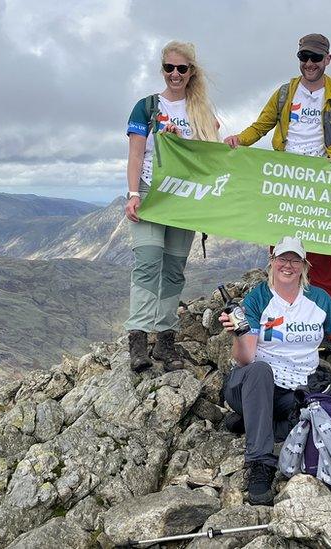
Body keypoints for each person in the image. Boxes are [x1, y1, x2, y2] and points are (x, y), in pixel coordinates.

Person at [219, 236, 331, 505]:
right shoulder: (258, 297)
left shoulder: (318, 300)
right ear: (272, 262)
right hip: (250, 384)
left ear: (305, 265)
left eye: (295, 260)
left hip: (295, 391)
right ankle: (260, 464)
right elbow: (245, 358)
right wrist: (238, 333)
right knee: (260, 370)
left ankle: (256, 422)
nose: (288, 265)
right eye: (282, 258)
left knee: (319, 422)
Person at [224, 33, 331, 304]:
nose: (309, 63)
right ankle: (283, 312)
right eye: (304, 57)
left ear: (327, 59)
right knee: (283, 250)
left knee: (319, 251)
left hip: (321, 181)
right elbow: (261, 126)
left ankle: (325, 319)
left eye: (316, 58)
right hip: (286, 181)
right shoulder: (285, 92)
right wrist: (240, 139)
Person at [124, 41, 220, 371]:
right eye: (169, 68)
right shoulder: (146, 107)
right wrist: (133, 193)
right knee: (148, 261)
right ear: (162, 69)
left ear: (191, 71)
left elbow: (213, 158)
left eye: (182, 68)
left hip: (184, 199)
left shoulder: (201, 112)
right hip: (151, 194)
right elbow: (136, 154)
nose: (175, 74)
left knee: (174, 270)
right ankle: (138, 340)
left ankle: (165, 340)